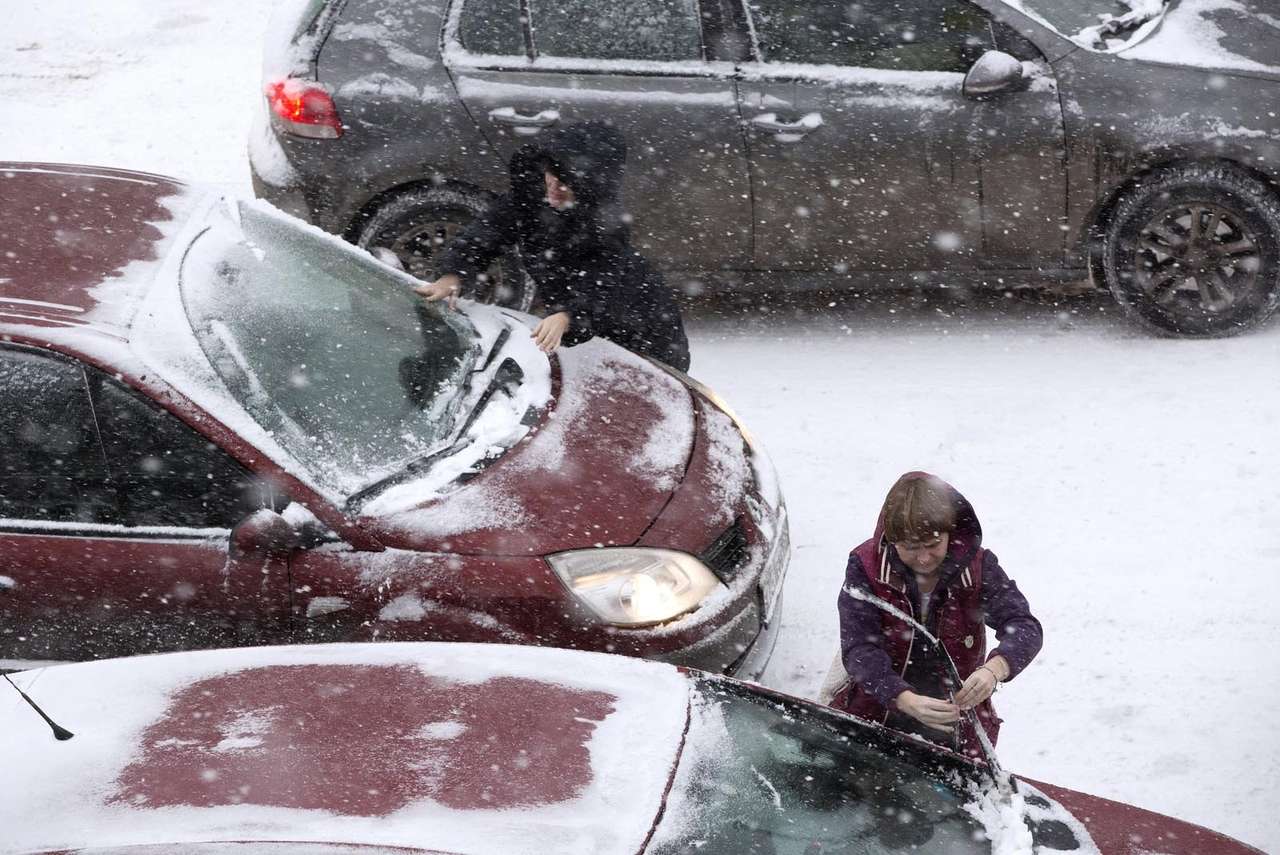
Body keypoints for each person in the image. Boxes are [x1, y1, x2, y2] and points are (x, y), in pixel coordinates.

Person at [415, 121, 690, 371]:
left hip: (646, 333)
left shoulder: (605, 227)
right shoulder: (528, 199)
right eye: (553, 176)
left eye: (569, 183)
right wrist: (454, 274)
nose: (555, 188)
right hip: (595, 329)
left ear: (591, 186)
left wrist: (570, 315)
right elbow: (486, 233)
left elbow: (602, 285)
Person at [828, 471, 1042, 758]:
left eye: (933, 544)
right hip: (875, 714)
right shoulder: (865, 568)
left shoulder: (979, 568)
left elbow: (1024, 625)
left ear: (950, 532)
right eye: (910, 548)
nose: (924, 558)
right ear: (891, 540)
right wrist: (901, 697)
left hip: (956, 725)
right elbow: (859, 648)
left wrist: (995, 670)